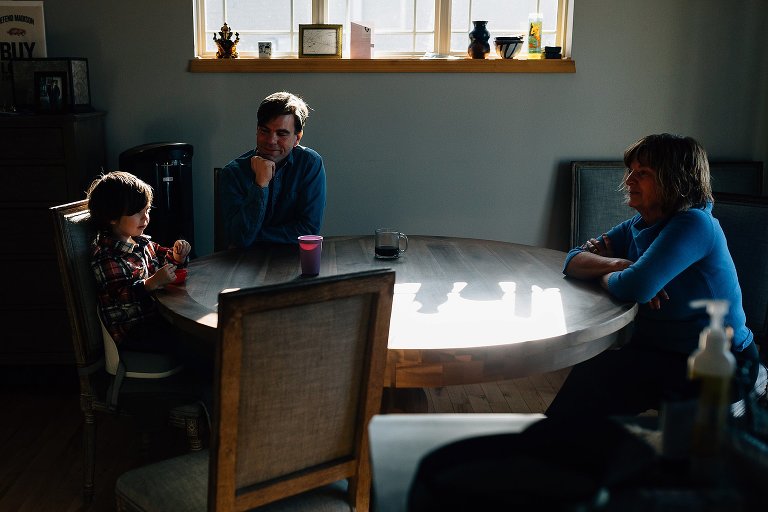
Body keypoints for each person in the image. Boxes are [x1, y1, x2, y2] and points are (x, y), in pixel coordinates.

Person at [546, 133, 760, 418]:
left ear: (675, 180)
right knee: (592, 376)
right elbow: (572, 260)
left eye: (643, 173)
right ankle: (554, 452)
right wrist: (618, 265)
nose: (629, 180)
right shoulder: (643, 222)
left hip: (719, 363)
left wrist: (613, 271)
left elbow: (637, 287)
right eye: (631, 171)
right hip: (663, 350)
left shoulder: (694, 224)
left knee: (597, 382)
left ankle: (554, 453)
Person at [87, 171, 191, 353]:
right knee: (189, 338)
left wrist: (176, 256)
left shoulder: (141, 241)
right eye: (138, 212)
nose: (145, 217)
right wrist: (151, 283)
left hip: (155, 317)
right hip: (132, 331)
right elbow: (120, 296)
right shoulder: (106, 257)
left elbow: (164, 261)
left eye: (147, 210)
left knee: (188, 330)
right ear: (112, 217)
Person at [219, 91, 327, 247]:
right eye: (265, 131)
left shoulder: (309, 163)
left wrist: (254, 235)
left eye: (281, 133)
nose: (271, 140)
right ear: (257, 130)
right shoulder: (233, 173)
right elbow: (239, 239)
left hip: (293, 260)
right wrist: (260, 185)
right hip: (244, 265)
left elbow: (308, 231)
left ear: (297, 138)